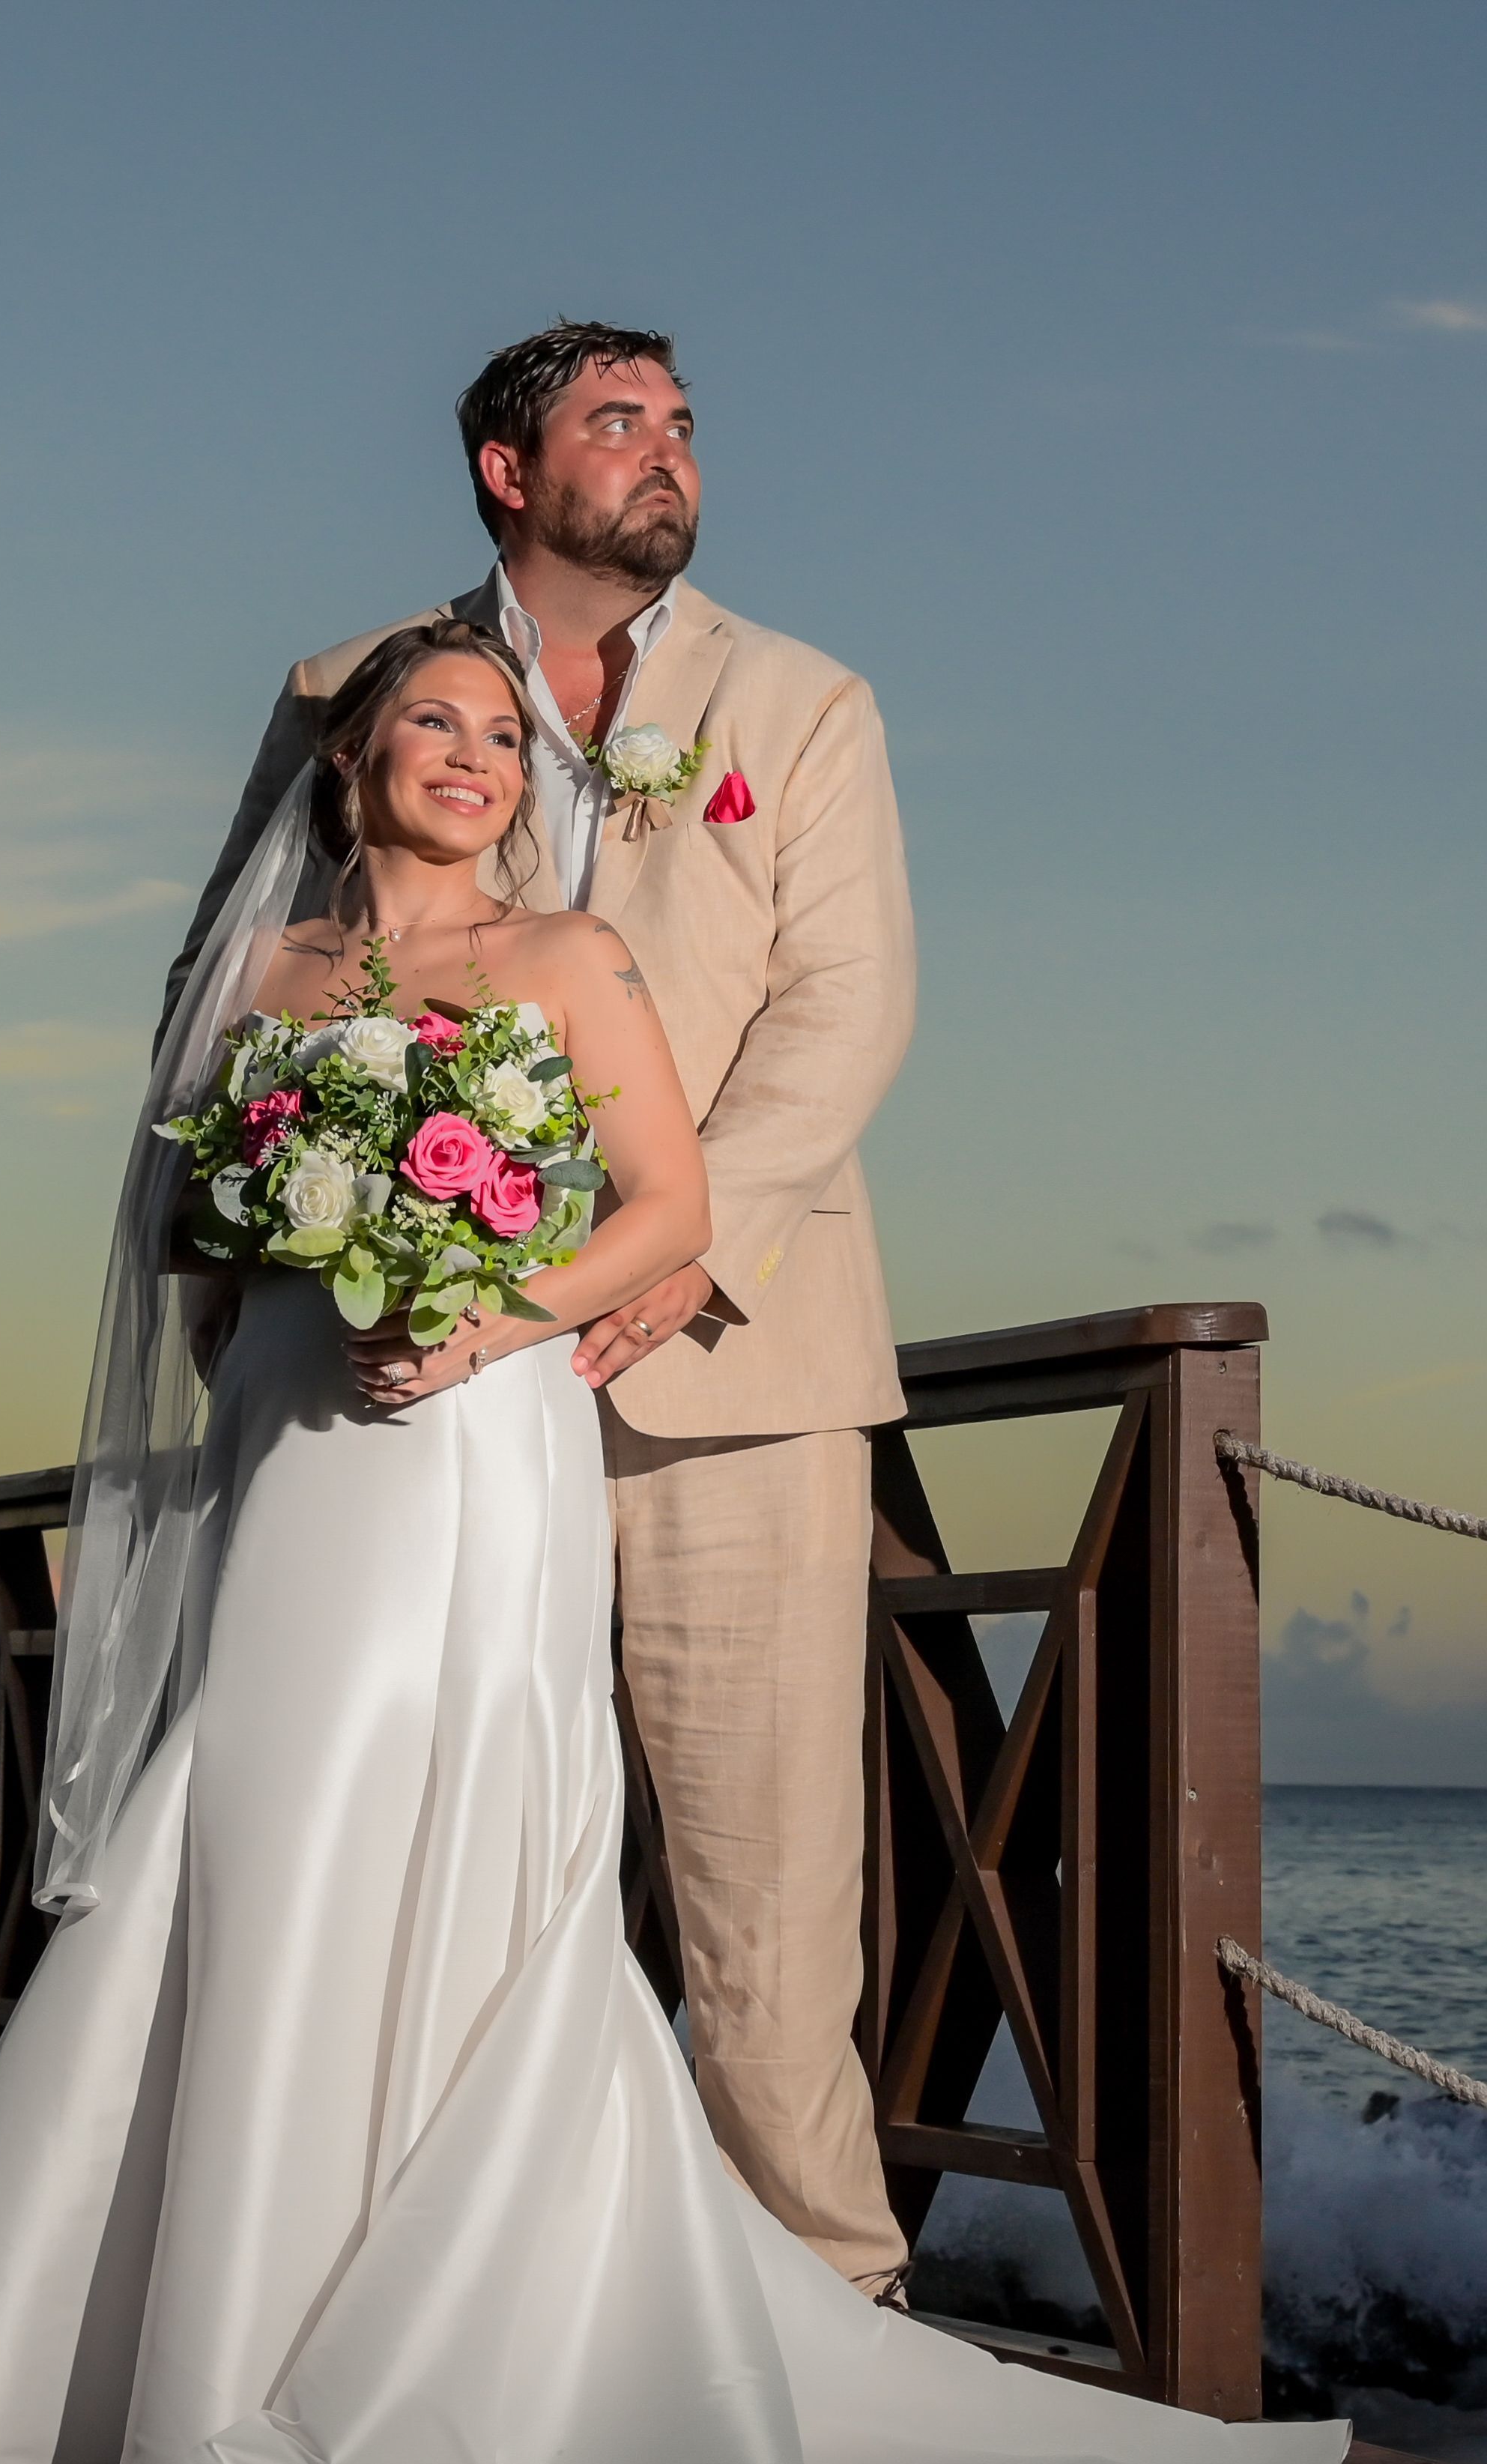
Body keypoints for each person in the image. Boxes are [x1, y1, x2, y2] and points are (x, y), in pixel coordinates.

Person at [0, 620, 1344, 2464]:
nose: (470, 754)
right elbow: (194, 1225)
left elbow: (672, 1206)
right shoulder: (268, 971)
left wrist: (480, 1320)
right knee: (256, 1818)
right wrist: (284, 1290)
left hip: (477, 1420)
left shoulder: (565, 956)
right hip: (297, 1423)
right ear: (349, 762)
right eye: (428, 726)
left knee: (451, 1807)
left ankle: (448, 2345)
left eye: (497, 736)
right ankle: (175, 2346)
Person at [169, 320, 913, 2298]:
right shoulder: (345, 692)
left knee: (761, 1909)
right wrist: (283, 1268)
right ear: (508, 470)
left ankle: (823, 2303)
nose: (668, 452)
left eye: (684, 424)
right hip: (387, 1391)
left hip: (727, 1361)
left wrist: (672, 1251)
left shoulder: (806, 702)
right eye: (618, 421)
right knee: (368, 1854)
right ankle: (388, 2299)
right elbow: (236, 984)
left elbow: (849, 1006)